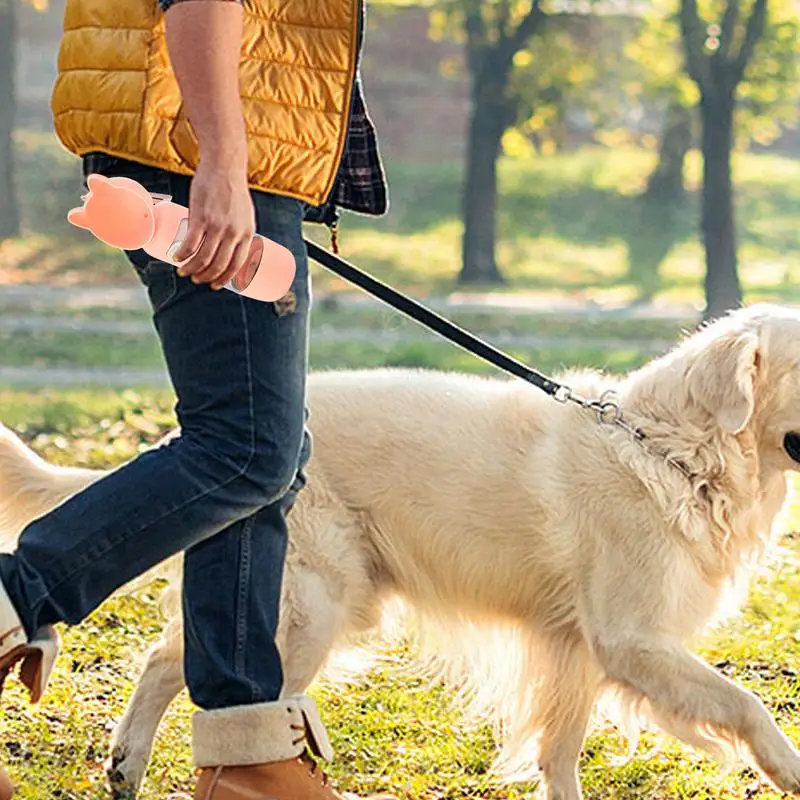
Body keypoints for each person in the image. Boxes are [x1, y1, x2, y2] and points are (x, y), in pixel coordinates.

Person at [0, 0, 396, 798]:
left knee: (266, 456)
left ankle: (245, 748)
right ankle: (17, 592)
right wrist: (222, 161)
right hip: (205, 150)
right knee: (246, 447)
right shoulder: (216, 155)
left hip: (224, 147)